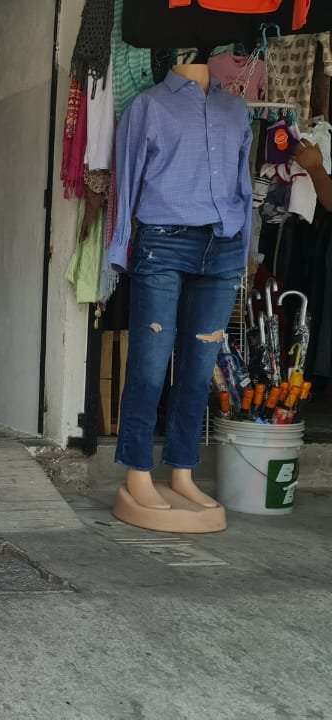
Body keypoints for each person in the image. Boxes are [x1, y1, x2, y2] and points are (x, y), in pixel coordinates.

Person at [111, 62, 250, 515]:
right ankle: (137, 472)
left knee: (198, 369)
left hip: (223, 245)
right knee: (150, 364)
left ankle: (183, 472)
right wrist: (120, 246)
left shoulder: (235, 109)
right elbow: (126, 180)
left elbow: (243, 185)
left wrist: (244, 248)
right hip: (164, 242)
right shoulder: (149, 105)